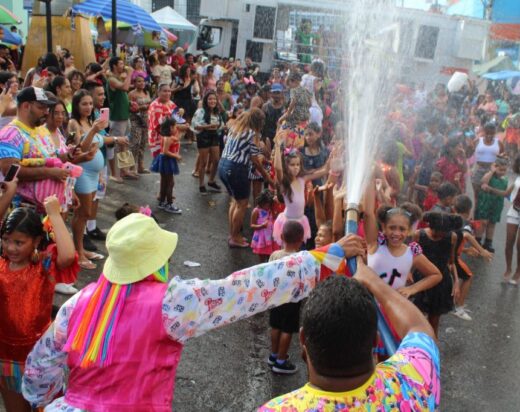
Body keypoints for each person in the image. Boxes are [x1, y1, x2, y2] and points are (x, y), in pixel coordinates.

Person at [21, 213, 365, 411]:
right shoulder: (171, 303)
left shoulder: (77, 303)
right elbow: (244, 289)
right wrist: (325, 257)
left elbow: (37, 373)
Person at [259, 260, 439, 410]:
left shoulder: (276, 409)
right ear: (375, 340)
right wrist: (373, 281)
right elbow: (418, 327)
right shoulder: (414, 382)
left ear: (302, 339)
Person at [0, 194, 78, 412]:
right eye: (6, 240)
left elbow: (68, 257)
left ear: (35, 241)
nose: (11, 248)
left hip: (41, 356)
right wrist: (9, 193)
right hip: (6, 357)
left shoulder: (44, 266)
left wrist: (54, 213)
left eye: (19, 242)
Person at [0, 87, 72, 212]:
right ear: (26, 106)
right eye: (41, 107)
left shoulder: (42, 130)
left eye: (47, 108)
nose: (46, 112)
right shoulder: (10, 134)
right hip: (23, 212)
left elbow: (52, 159)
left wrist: (69, 156)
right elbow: (10, 172)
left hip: (48, 208)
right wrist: (50, 172)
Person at [67, 90, 110, 270]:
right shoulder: (73, 123)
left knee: (87, 213)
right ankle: (78, 252)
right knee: (82, 213)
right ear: (76, 105)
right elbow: (79, 149)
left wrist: (100, 172)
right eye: (84, 104)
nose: (88, 107)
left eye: (90, 104)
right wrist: (93, 131)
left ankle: (81, 248)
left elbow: (97, 146)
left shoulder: (91, 121)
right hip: (82, 173)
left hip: (94, 174)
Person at [218, 109, 274, 247]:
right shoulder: (251, 134)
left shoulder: (236, 128)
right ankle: (235, 237)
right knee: (242, 204)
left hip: (223, 165)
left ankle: (233, 234)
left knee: (235, 202)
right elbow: (254, 159)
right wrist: (266, 175)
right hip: (236, 168)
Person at [413, 212, 462, 336]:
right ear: (431, 227)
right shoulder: (419, 235)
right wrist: (408, 274)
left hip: (441, 283)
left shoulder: (452, 237)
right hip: (420, 280)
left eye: (444, 232)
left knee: (434, 321)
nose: (442, 235)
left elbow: (451, 262)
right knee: (415, 319)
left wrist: (456, 282)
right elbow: (411, 258)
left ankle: (433, 349)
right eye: (439, 232)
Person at [267, 221, 305, 374]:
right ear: (301, 240)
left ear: (281, 236)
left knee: (276, 326)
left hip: (275, 298)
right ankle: (281, 362)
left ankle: (273, 355)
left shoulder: (275, 255)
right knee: (287, 330)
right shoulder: (301, 259)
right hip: (292, 301)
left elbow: (268, 275)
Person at [272, 144, 328, 246]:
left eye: (298, 164)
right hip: (288, 222)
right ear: (286, 166)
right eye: (292, 165)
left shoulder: (302, 179)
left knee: (298, 247)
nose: (296, 168)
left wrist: (332, 157)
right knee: (287, 248)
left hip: (301, 220)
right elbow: (277, 168)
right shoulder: (285, 182)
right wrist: (277, 146)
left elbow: (323, 171)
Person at [452, 194, 493, 320]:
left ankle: (456, 303)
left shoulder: (452, 219)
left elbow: (455, 241)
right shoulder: (465, 223)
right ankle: (459, 307)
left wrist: (465, 249)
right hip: (452, 258)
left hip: (449, 253)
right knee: (468, 276)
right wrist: (482, 251)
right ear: (469, 210)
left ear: (454, 208)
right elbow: (466, 235)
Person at [107, 56, 135, 181]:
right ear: (114, 66)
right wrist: (129, 74)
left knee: (125, 143)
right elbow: (125, 88)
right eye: (120, 63)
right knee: (115, 145)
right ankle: (114, 173)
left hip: (124, 115)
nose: (123, 66)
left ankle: (125, 170)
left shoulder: (118, 78)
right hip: (117, 117)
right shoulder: (112, 79)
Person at [475, 156, 510, 253]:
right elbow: (483, 181)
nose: (502, 172)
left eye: (504, 170)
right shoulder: (489, 175)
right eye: (500, 169)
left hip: (497, 203)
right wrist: (491, 171)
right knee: (483, 222)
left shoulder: (505, 179)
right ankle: (477, 240)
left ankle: (488, 242)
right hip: (486, 201)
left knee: (492, 222)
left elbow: (505, 191)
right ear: (495, 167)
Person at [192, 91, 224, 194]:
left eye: (214, 99)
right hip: (203, 136)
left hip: (214, 136)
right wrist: (208, 126)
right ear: (206, 100)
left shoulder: (217, 112)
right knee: (203, 162)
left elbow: (221, 124)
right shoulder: (200, 111)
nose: (212, 101)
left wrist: (224, 127)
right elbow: (195, 125)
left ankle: (211, 181)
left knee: (216, 160)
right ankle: (201, 185)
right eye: (210, 99)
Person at [150, 117, 182, 214]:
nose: (177, 128)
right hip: (167, 161)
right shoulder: (169, 138)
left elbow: (177, 138)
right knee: (170, 183)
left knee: (164, 182)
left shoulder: (165, 137)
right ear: (171, 128)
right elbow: (165, 151)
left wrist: (181, 131)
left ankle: (162, 202)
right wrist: (176, 156)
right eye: (176, 126)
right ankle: (169, 204)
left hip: (163, 161)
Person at [470, 122, 504, 208]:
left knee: (490, 194)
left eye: (492, 133)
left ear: (495, 132)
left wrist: (499, 169)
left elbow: (503, 156)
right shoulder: (478, 141)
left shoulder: (499, 143)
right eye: (487, 132)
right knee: (477, 195)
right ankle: (476, 216)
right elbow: (469, 153)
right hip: (478, 169)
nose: (489, 135)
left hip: (492, 171)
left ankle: (486, 216)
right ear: (483, 131)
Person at [276, 71, 312, 149]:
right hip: (305, 119)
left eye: (289, 84)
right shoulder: (306, 91)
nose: (289, 87)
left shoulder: (294, 90)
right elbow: (310, 104)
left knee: (279, 121)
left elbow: (293, 102)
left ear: (294, 81)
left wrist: (288, 113)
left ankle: (282, 145)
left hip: (295, 118)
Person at [128, 75, 152, 174]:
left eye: (143, 81)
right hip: (135, 120)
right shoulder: (131, 94)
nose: (142, 83)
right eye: (139, 81)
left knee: (142, 144)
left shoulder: (146, 92)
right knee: (134, 144)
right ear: (134, 83)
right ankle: (131, 167)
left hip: (146, 121)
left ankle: (140, 166)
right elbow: (131, 108)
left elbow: (150, 105)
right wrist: (143, 107)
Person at [147, 82, 177, 159]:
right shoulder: (155, 106)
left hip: (170, 138)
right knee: (164, 165)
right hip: (158, 140)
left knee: (169, 166)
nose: (167, 93)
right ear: (158, 92)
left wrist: (181, 112)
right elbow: (160, 127)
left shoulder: (170, 103)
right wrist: (179, 127)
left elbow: (176, 117)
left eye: (169, 91)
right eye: (165, 91)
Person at [504, 154, 520, 284]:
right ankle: (508, 267)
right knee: (509, 242)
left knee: (519, 245)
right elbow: (506, 194)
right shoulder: (518, 178)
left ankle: (518, 271)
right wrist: (490, 189)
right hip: (514, 211)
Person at [250, 189, 277, 263]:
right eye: (266, 204)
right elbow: (252, 225)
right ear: (261, 202)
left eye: (269, 204)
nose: (267, 206)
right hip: (261, 238)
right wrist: (261, 226)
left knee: (270, 256)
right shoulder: (256, 211)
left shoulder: (270, 209)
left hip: (270, 237)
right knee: (261, 258)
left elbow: (274, 217)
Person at [262, 83, 285, 147]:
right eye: (274, 93)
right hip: (267, 139)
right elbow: (261, 124)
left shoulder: (285, 108)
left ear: (282, 93)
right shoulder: (265, 107)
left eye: (278, 93)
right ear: (271, 93)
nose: (276, 95)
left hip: (280, 139)